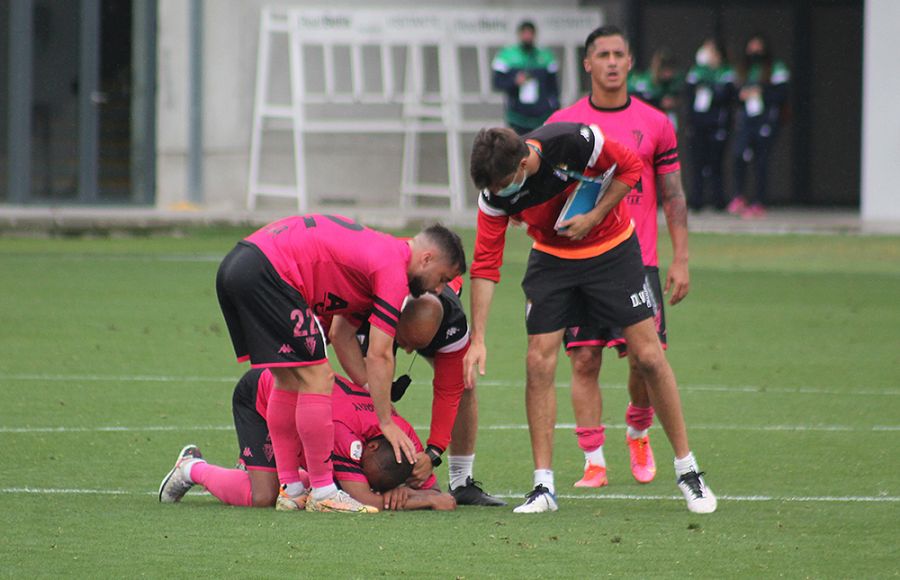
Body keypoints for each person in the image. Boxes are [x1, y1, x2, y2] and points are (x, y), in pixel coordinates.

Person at [544, 25, 714, 516]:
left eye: (620, 54)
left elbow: (674, 196)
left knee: (646, 360)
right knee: (583, 361)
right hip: (576, 261)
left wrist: (680, 258)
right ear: (587, 64)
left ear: (630, 62)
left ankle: (638, 429)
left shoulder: (656, 122)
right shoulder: (564, 121)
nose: (613, 62)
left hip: (636, 261)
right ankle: (593, 459)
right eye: (604, 54)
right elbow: (550, 191)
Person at [215, 215, 465, 513]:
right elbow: (380, 354)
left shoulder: (378, 255)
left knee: (289, 380)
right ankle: (323, 492)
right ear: (427, 258)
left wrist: (371, 391)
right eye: (443, 278)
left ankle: (292, 489)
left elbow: (341, 335)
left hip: (240, 263)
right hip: (269, 272)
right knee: (318, 379)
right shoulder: (392, 269)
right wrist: (384, 420)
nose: (439, 289)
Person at [158, 369, 456, 512]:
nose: (363, 480)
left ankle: (254, 466)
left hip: (306, 413)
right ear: (372, 445)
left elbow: (442, 493)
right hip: (262, 394)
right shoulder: (343, 434)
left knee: (326, 482)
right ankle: (190, 467)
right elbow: (363, 499)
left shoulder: (405, 437)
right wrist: (423, 500)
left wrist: (407, 491)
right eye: (365, 473)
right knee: (265, 496)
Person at [355, 278, 506, 506]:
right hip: (380, 312)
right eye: (405, 342)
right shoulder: (375, 306)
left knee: (465, 381)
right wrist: (382, 410)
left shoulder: (453, 323)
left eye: (415, 346)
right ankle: (351, 469)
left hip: (434, 320)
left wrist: (432, 454)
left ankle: (461, 482)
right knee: (366, 389)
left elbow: (449, 391)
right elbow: (365, 363)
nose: (407, 350)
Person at [727, 34, 790, 218]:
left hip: (765, 120)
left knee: (761, 161)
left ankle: (759, 200)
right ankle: (739, 196)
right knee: (739, 155)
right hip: (746, 121)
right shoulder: (742, 69)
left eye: (758, 47)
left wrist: (762, 91)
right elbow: (730, 93)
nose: (754, 51)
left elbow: (783, 93)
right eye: (751, 47)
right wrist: (742, 94)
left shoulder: (775, 68)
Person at [684, 38, 737, 211]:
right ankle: (696, 201)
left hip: (717, 124)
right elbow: (688, 93)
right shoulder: (697, 72)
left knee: (716, 164)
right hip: (699, 124)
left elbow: (728, 96)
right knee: (697, 163)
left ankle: (718, 201)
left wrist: (711, 88)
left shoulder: (726, 72)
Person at [492, 20, 560, 135]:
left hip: (542, 116)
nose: (527, 36)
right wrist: (514, 81)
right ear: (519, 35)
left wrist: (554, 107)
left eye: (530, 33)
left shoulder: (546, 55)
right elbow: (497, 83)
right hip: (517, 116)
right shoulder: (507, 55)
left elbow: (554, 87)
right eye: (525, 33)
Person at [628, 47, 683, 130]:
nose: (668, 73)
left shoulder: (673, 82)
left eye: (670, 69)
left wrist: (674, 101)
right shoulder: (645, 82)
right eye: (665, 69)